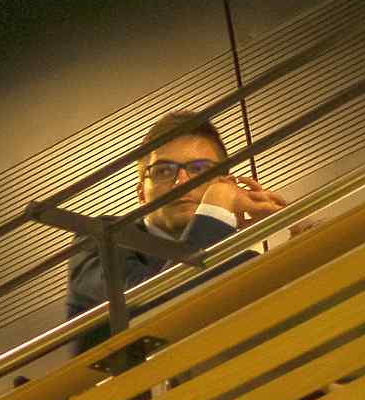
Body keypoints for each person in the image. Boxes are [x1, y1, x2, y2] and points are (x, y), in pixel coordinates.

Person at [69, 109, 288, 337]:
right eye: (163, 171)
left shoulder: (242, 262)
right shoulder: (102, 237)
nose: (181, 183)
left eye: (200, 169)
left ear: (226, 183)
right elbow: (150, 310)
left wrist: (297, 229)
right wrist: (215, 209)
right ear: (141, 193)